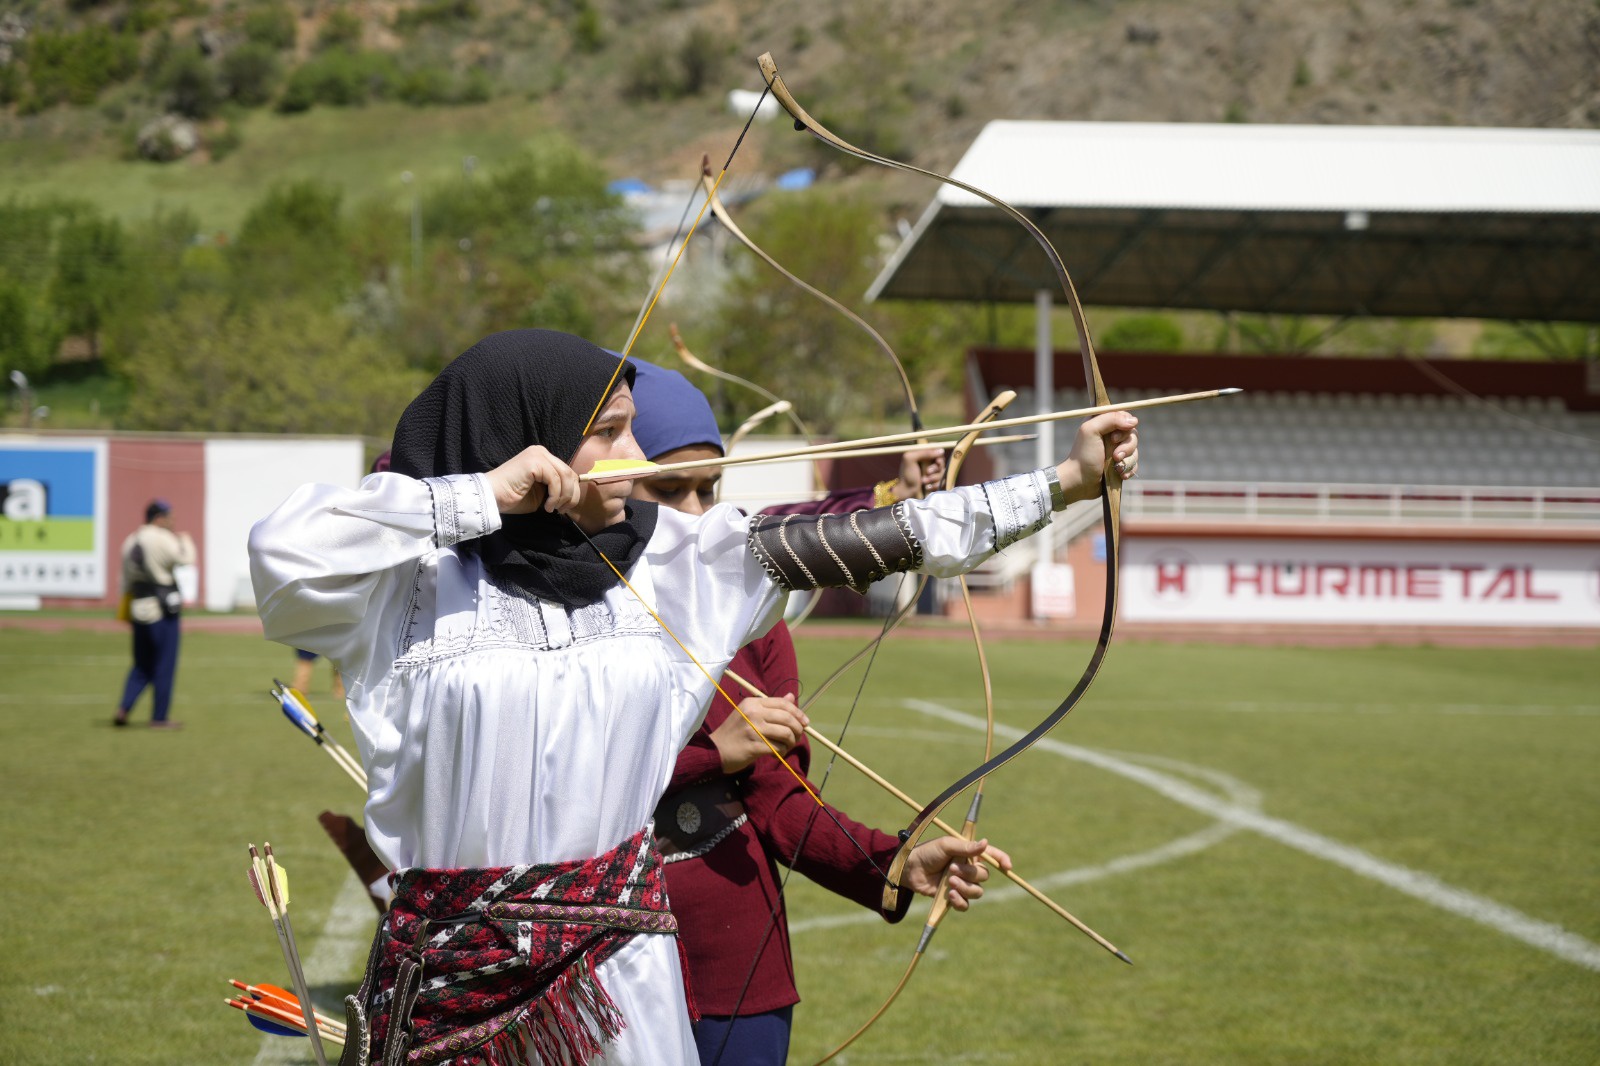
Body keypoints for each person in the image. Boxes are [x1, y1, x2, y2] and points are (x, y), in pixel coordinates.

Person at [247, 329, 1138, 1066]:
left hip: (619, 987)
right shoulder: (408, 581)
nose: (633, 463)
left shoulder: (678, 564)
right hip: (448, 983)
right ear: (528, 438)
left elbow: (888, 535)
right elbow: (285, 553)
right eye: (610, 435)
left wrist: (1060, 485)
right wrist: (481, 496)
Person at [627, 358, 1027, 1065]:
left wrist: (896, 863)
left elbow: (785, 809)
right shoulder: (565, 608)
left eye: (709, 489)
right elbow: (554, 780)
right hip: (606, 959)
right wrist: (712, 754)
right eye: (667, 489)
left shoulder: (752, 617)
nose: (695, 514)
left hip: (737, 962)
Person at [114, 499, 195, 729]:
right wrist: (185, 539)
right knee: (164, 664)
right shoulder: (162, 538)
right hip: (161, 609)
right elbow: (186, 559)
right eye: (170, 517)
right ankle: (159, 717)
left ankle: (124, 708)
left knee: (141, 664)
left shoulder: (130, 540)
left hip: (138, 606)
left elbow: (124, 580)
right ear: (159, 518)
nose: (173, 521)